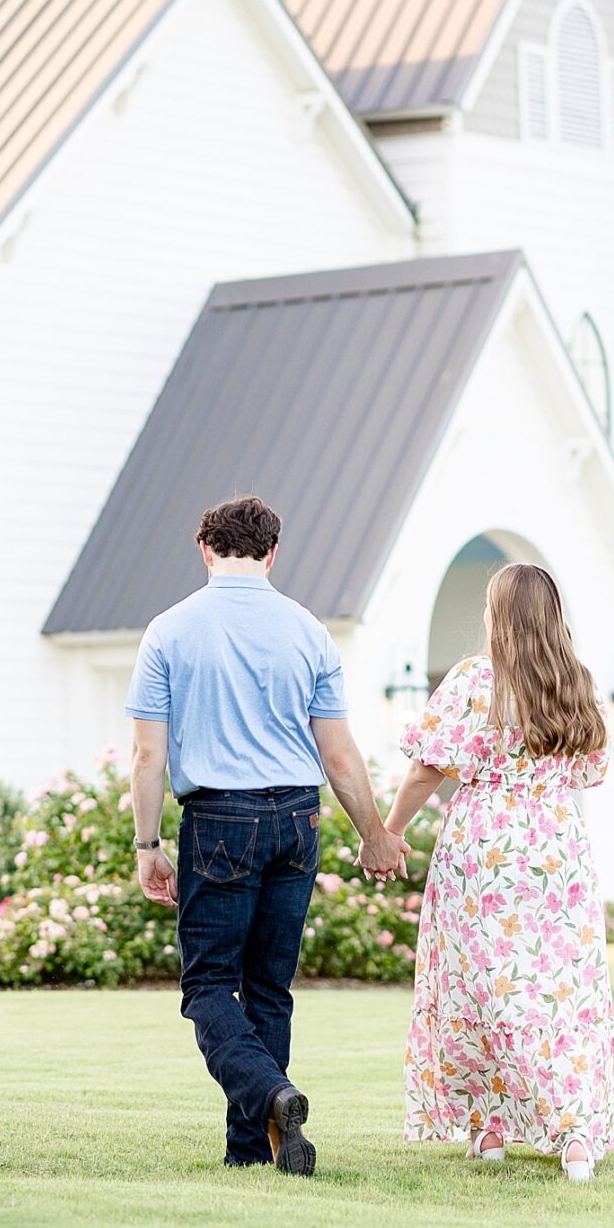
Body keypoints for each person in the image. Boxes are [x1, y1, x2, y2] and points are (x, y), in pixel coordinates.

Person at [128, 494, 404, 1175]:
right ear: (272, 553)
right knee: (269, 989)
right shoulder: (308, 631)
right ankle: (253, 1152)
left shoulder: (169, 630)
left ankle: (271, 1095)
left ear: (205, 548)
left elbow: (145, 756)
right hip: (297, 820)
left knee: (208, 988)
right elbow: (339, 755)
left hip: (219, 819)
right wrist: (373, 834)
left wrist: (147, 845)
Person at [382, 561, 614, 1180]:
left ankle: (491, 1127)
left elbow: (426, 769)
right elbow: (588, 772)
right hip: (555, 851)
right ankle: (567, 1132)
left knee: (482, 987)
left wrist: (389, 831)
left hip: (484, 850)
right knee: (556, 991)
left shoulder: (473, 682)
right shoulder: (577, 684)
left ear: (498, 616)